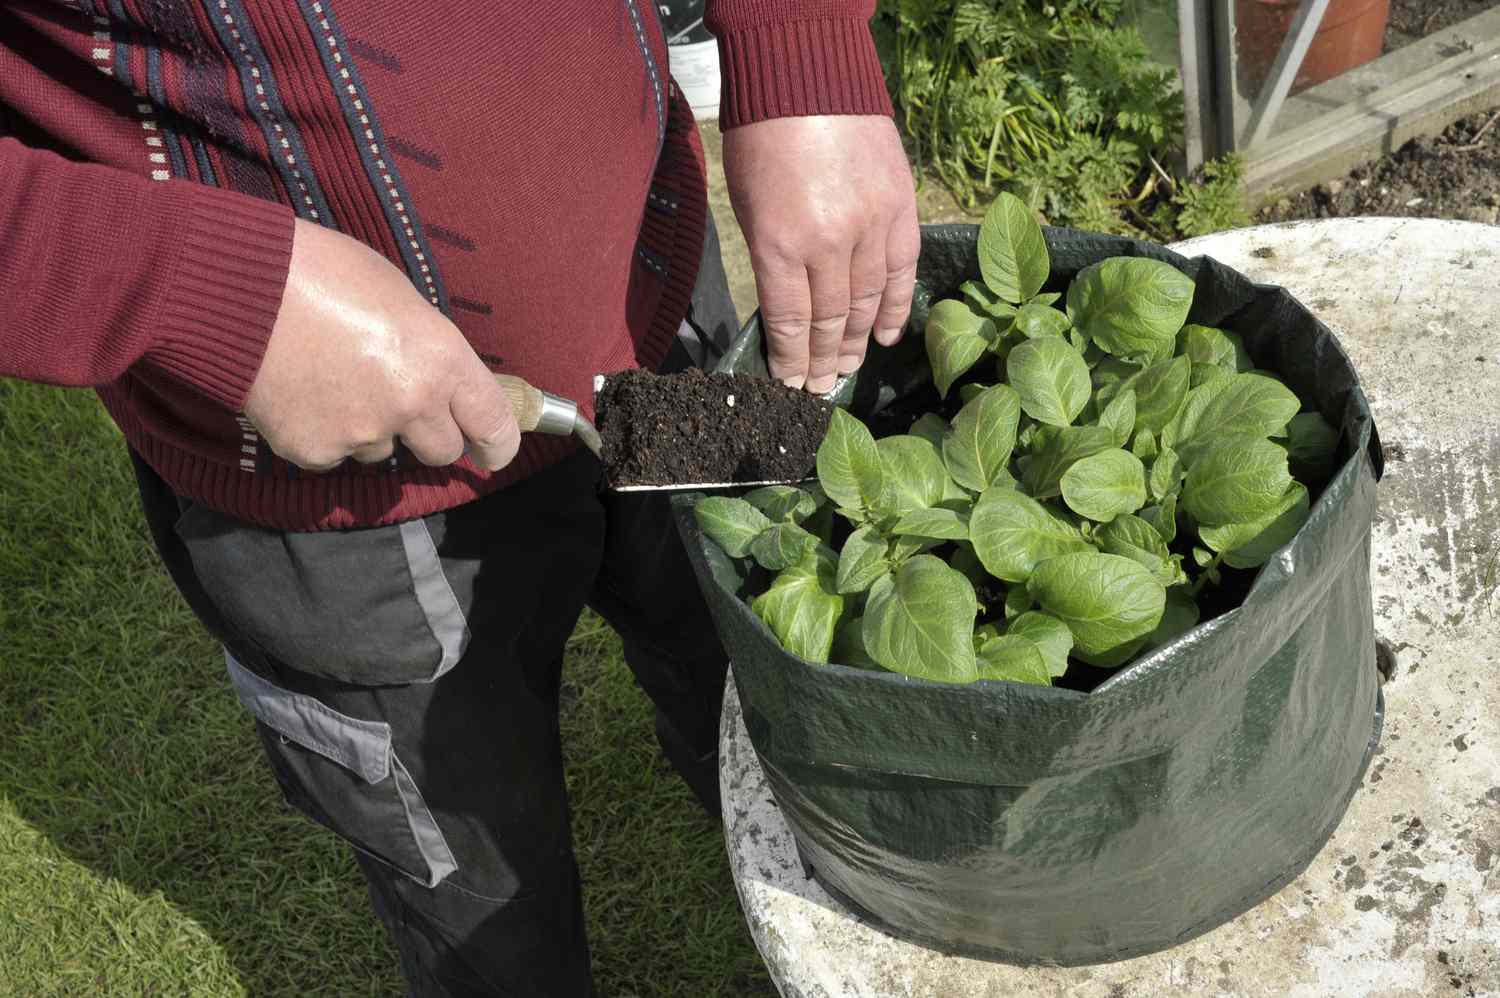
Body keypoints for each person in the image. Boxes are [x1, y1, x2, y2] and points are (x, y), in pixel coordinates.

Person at [0, 2, 918, 994]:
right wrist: (187, 288)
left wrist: (797, 42)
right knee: (478, 886)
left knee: (750, 676)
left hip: (652, 288)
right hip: (342, 484)